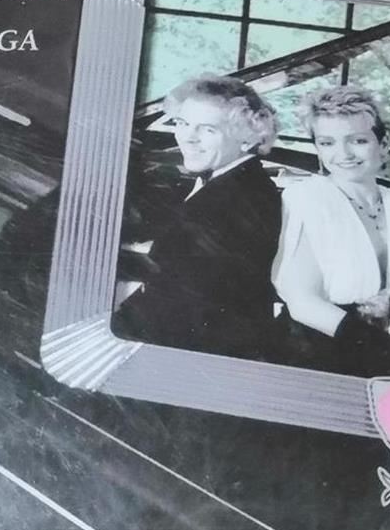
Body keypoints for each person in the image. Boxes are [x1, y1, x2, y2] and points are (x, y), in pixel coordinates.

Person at [274, 84, 390, 376]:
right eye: (327, 143)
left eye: (358, 140)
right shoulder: (305, 199)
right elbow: (303, 302)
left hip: (380, 352)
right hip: (310, 352)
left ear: (383, 144)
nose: (344, 154)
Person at [114, 74, 282, 356]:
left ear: (246, 139)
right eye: (182, 123)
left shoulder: (241, 199)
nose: (188, 138)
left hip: (200, 353)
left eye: (208, 129)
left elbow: (181, 307)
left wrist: (112, 322)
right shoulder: (231, 182)